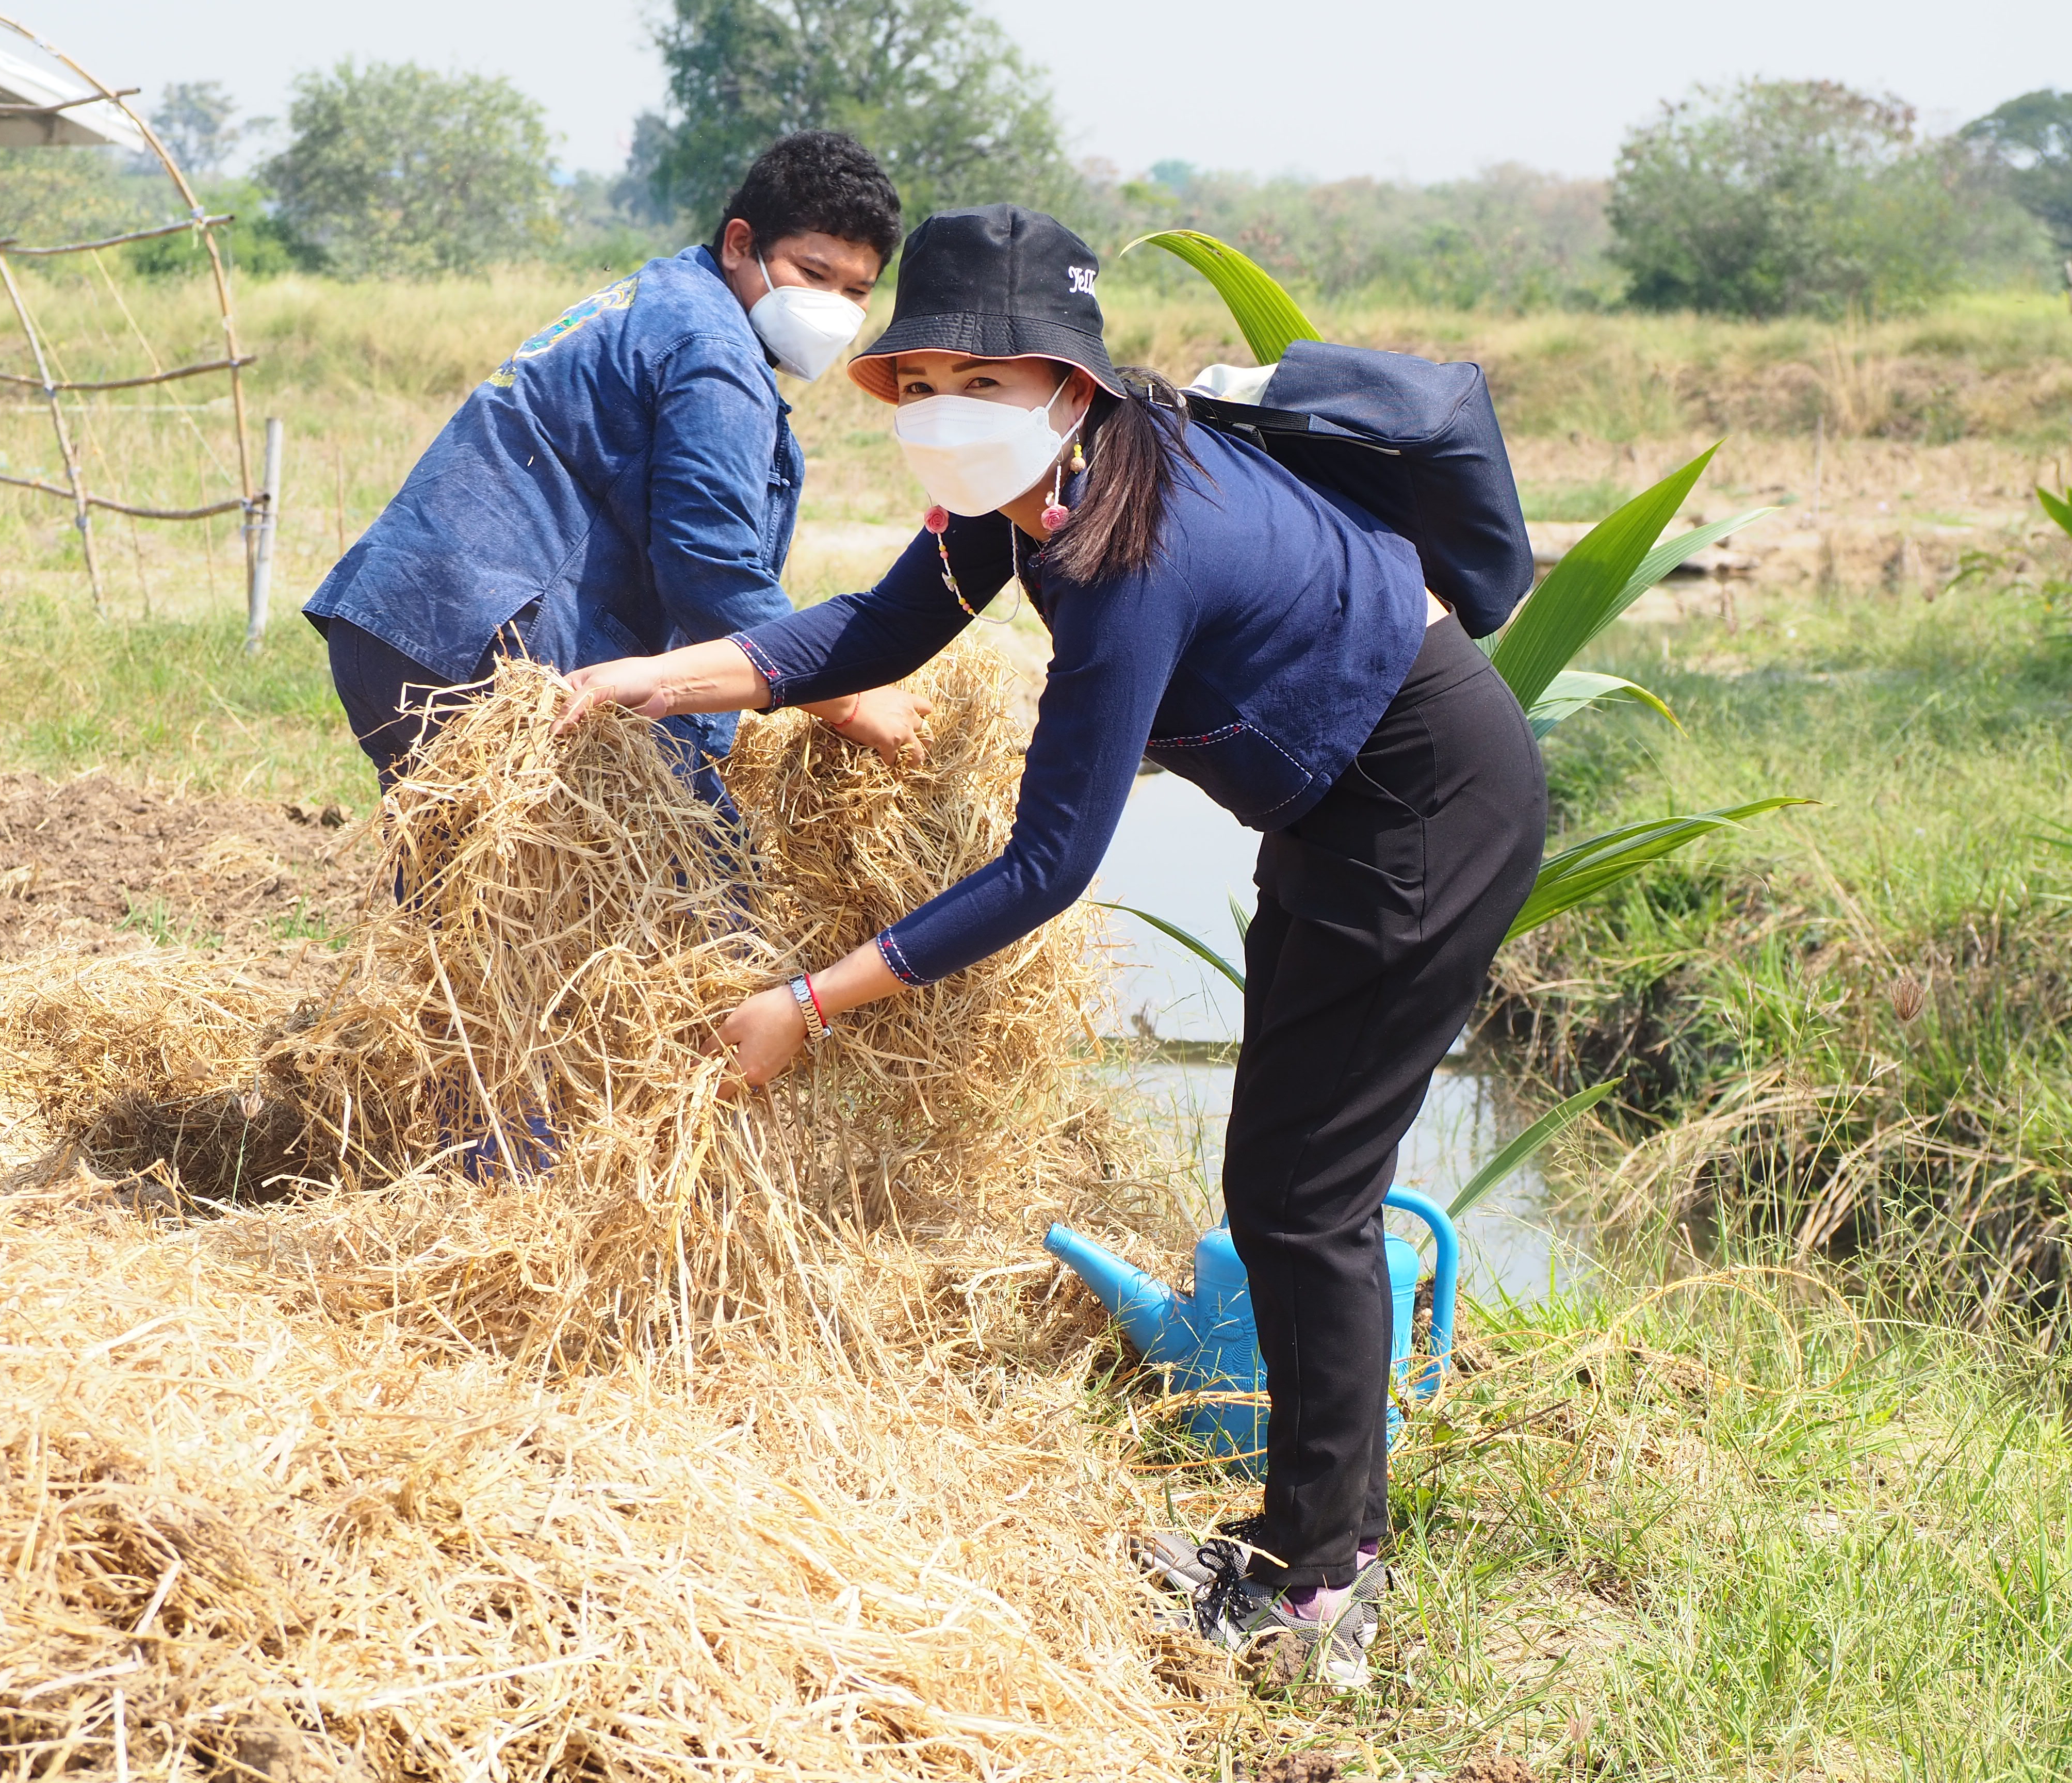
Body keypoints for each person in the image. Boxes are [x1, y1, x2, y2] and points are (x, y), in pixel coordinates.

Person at [561, 204, 1548, 1686]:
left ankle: (1324, 1592)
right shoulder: (1014, 504)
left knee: (1302, 1196)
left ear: (1069, 390)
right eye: (928, 381)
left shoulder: (1133, 549)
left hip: (1427, 805)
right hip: (1345, 807)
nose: (951, 411)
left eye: (992, 380)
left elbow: (1047, 866)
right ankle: (1305, 1543)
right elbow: (870, 640)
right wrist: (657, 676)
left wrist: (807, 1002)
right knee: (1284, 1185)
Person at [301, 130, 932, 799]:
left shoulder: (657, 296)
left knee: (485, 899)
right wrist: (848, 698)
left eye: (857, 290)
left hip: (396, 628)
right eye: (813, 274)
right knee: (699, 889)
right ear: (741, 244)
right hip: (487, 653)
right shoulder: (714, 350)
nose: (833, 308)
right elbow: (710, 568)